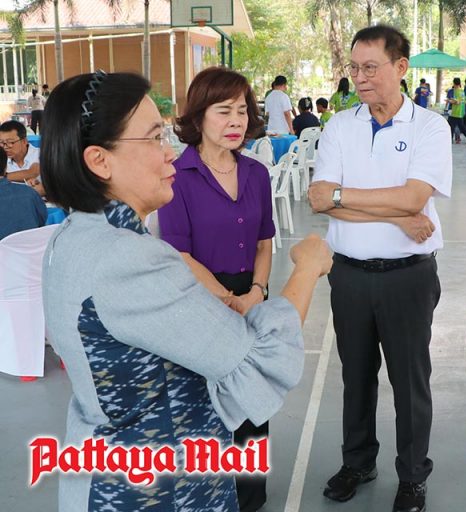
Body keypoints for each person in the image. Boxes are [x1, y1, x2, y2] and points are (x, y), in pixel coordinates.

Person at [40, 70, 332, 512]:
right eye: (153, 138)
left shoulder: (73, 237)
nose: (168, 155)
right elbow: (258, 360)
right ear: (100, 160)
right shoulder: (129, 258)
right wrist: (307, 268)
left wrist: (254, 291)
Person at [308, 25, 452, 512]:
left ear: (401, 67)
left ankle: (412, 476)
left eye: (371, 67)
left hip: (408, 276)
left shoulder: (429, 127)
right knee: (356, 377)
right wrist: (394, 215)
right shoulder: (339, 126)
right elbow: (319, 199)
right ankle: (357, 462)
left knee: (410, 382)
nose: (361, 77)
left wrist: (344, 197)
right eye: (354, 68)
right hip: (348, 274)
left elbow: (414, 197)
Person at [157, 67, 277, 512]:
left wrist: (256, 292)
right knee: (204, 404)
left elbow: (265, 241)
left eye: (242, 111)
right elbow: (180, 253)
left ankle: (250, 498)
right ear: (198, 116)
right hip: (200, 300)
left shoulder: (256, 173)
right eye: (224, 111)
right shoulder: (178, 175)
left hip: (252, 296)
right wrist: (226, 300)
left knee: (253, 400)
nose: (236, 121)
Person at [0, 147, 46, 241]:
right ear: (5, 168)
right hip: (31, 248)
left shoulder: (29, 193)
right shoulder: (29, 194)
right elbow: (42, 220)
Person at [0, 120, 40, 184]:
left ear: (24, 141)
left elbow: (33, 173)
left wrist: (3, 177)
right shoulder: (2, 158)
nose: (5, 147)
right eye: (1, 142)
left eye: (10, 142)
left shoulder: (40, 154)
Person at [446, 77, 466, 144]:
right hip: (460, 111)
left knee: (455, 126)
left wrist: (449, 101)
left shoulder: (456, 91)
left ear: (454, 83)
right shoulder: (462, 91)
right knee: (455, 126)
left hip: (455, 112)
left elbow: (457, 102)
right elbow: (464, 101)